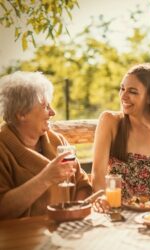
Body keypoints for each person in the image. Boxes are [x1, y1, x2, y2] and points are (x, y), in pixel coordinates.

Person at [0, 71, 92, 220]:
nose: (53, 112)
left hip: (63, 229)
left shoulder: (58, 142)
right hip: (20, 237)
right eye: (45, 106)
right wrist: (45, 178)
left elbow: (82, 185)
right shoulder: (2, 148)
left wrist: (73, 212)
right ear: (22, 114)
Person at [91, 63, 150, 206]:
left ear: (149, 98)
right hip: (116, 211)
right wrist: (103, 199)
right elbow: (98, 176)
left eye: (133, 92)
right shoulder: (110, 122)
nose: (123, 96)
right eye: (122, 89)